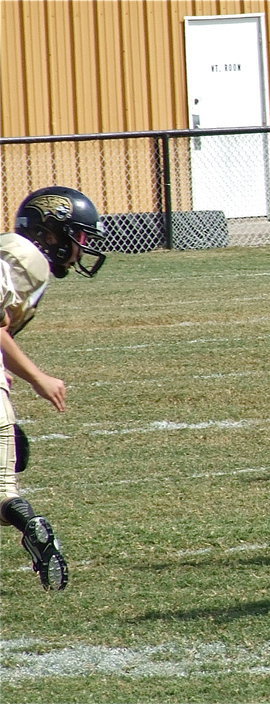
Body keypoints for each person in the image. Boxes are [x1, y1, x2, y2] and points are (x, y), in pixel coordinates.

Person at [0, 185, 108, 590]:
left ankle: (28, 521)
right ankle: (28, 521)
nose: (81, 246)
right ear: (51, 232)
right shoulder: (21, 255)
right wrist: (38, 378)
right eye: (77, 235)